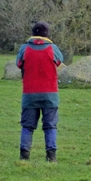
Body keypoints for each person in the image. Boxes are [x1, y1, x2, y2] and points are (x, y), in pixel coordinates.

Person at [16, 21, 63, 162]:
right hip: (50, 94)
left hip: (29, 94)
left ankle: (24, 155)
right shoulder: (53, 48)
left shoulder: (24, 49)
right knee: (50, 126)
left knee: (27, 126)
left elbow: (19, 64)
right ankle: (51, 156)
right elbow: (59, 61)